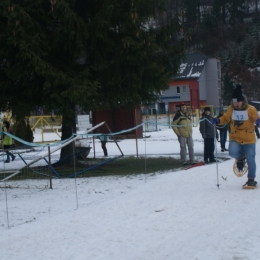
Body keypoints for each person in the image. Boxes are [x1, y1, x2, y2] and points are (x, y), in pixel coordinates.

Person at [213, 85, 260, 188]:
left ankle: (251, 179)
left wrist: (258, 121)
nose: (236, 104)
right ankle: (240, 158)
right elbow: (225, 118)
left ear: (242, 101)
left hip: (248, 139)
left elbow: (256, 117)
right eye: (234, 102)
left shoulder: (250, 109)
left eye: (238, 102)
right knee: (232, 151)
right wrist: (218, 120)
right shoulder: (231, 109)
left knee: (251, 159)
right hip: (236, 138)